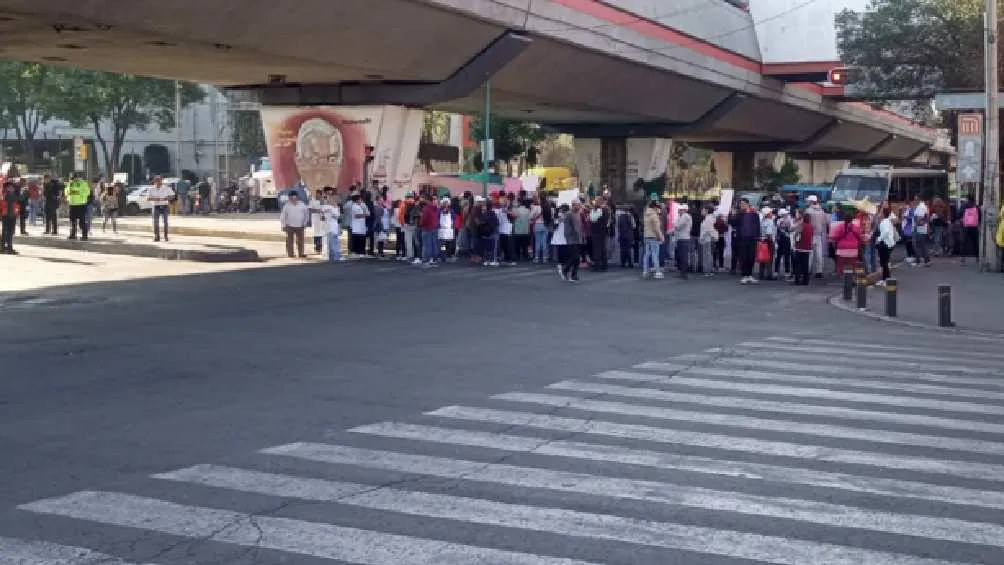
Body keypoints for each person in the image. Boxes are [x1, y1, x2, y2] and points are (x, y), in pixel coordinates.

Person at [735, 199, 761, 284]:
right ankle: (745, 275)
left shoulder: (754, 214)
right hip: (742, 239)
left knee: (751, 257)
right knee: (744, 257)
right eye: (740, 204)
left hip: (752, 238)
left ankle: (750, 275)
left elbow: (758, 226)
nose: (741, 205)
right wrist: (731, 215)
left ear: (747, 204)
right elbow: (733, 223)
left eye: (743, 204)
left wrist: (758, 237)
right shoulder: (739, 214)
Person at [830, 210, 862, 276]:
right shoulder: (856, 227)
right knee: (852, 264)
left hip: (842, 249)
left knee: (841, 264)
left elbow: (835, 237)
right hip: (853, 249)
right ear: (852, 219)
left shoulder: (840, 226)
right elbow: (859, 237)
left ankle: (843, 274)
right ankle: (850, 276)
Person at [280, 190, 310, 258]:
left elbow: (306, 214)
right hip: (290, 226)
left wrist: (305, 223)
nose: (292, 199)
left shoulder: (302, 205)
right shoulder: (286, 206)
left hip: (300, 225)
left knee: (300, 241)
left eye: (293, 197)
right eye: (290, 198)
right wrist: (283, 225)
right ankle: (290, 254)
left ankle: (301, 253)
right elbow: (283, 216)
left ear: (296, 197)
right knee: (290, 241)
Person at [806, 195, 829, 278]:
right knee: (819, 253)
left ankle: (808, 269)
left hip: (810, 233)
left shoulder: (808, 211)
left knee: (810, 253)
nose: (807, 202)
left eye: (808, 201)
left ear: (811, 202)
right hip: (819, 234)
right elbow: (825, 222)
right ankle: (819, 271)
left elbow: (806, 222)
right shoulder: (822, 211)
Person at [642, 198, 665, 279]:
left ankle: (645, 271)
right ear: (655, 207)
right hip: (654, 237)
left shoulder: (646, 214)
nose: (658, 209)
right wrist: (661, 237)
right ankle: (657, 272)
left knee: (646, 254)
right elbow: (657, 229)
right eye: (657, 207)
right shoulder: (654, 215)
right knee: (655, 254)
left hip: (646, 236)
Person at [561, 201, 584, 282]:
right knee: (575, 257)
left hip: (578, 239)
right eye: (578, 205)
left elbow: (579, 227)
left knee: (577, 259)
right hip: (571, 239)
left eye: (579, 205)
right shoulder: (569, 214)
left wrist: (581, 237)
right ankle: (565, 269)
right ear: (573, 206)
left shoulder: (578, 214)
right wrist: (567, 237)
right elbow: (568, 228)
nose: (579, 207)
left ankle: (573, 274)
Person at [64, 173, 91, 241]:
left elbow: (87, 192)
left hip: (81, 205)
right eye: (73, 178)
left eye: (75, 178)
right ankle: (73, 235)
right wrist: (71, 189)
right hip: (72, 204)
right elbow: (66, 192)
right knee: (72, 221)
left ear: (78, 177)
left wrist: (77, 192)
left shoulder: (83, 183)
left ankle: (84, 236)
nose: (74, 179)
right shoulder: (70, 184)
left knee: (82, 222)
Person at [147, 176, 173, 242]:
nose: (159, 182)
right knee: (156, 222)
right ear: (155, 182)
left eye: (160, 181)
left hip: (164, 206)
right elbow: (148, 198)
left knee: (165, 222)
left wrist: (167, 198)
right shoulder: (151, 189)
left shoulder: (166, 188)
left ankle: (166, 236)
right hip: (156, 206)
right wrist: (155, 199)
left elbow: (172, 196)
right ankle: (157, 236)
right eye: (157, 181)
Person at [875, 208, 897, 286]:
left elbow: (886, 232)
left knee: (884, 262)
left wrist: (879, 239)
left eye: (880, 213)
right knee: (883, 262)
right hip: (887, 243)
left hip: (885, 244)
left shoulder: (885, 222)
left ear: (884, 214)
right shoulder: (886, 221)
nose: (879, 214)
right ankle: (884, 279)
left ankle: (886, 279)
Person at [791, 208, 813, 286]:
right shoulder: (810, 226)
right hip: (807, 248)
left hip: (799, 247)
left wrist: (794, 243)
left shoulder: (801, 226)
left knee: (798, 264)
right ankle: (806, 281)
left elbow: (797, 235)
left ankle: (797, 280)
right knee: (805, 265)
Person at [959, 195, 980, 265]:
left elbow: (958, 214)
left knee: (963, 243)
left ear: (967, 199)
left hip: (965, 226)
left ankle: (963, 259)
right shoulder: (976, 206)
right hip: (974, 227)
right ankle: (977, 258)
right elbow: (979, 216)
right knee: (975, 242)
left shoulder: (964, 206)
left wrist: (961, 219)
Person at [673, 204, 692, 279]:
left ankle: (683, 273)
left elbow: (678, 226)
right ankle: (682, 273)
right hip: (682, 238)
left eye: (680, 210)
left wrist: (675, 224)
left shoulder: (685, 216)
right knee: (681, 256)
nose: (679, 211)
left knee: (683, 257)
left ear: (684, 210)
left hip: (683, 239)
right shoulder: (684, 216)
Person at [347, 193, 369, 258]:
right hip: (356, 227)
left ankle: (361, 252)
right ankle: (355, 252)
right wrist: (365, 215)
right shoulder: (354, 206)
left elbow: (367, 213)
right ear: (356, 200)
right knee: (357, 239)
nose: (361, 201)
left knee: (362, 239)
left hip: (361, 226)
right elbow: (356, 215)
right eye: (360, 200)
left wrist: (365, 213)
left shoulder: (360, 206)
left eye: (361, 200)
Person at [1, 182, 20, 254]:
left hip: (11, 215)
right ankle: (5, 248)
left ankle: (8, 247)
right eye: (10, 187)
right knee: (6, 232)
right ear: (6, 188)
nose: (11, 188)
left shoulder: (9, 194)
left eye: (12, 187)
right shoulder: (7, 194)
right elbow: (19, 198)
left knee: (10, 232)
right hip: (7, 215)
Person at [911, 196, 931, 266]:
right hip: (920, 229)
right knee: (920, 245)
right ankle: (924, 260)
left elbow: (921, 218)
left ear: (919, 199)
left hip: (919, 229)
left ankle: (922, 260)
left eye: (916, 199)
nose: (914, 201)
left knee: (918, 245)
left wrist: (916, 225)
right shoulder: (920, 206)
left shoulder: (921, 207)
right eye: (914, 199)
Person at [699, 205, 717, 278]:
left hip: (707, 239)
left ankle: (708, 271)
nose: (702, 211)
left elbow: (709, 230)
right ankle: (708, 270)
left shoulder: (708, 219)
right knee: (708, 255)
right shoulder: (708, 218)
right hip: (706, 239)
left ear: (707, 210)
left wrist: (703, 236)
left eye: (703, 210)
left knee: (707, 255)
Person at [308, 190, 325, 254]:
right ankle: (317, 248)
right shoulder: (312, 201)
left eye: (319, 194)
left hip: (323, 219)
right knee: (317, 232)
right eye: (317, 194)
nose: (318, 195)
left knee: (323, 233)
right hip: (315, 219)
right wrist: (317, 211)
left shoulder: (323, 201)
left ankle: (322, 247)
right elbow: (310, 209)